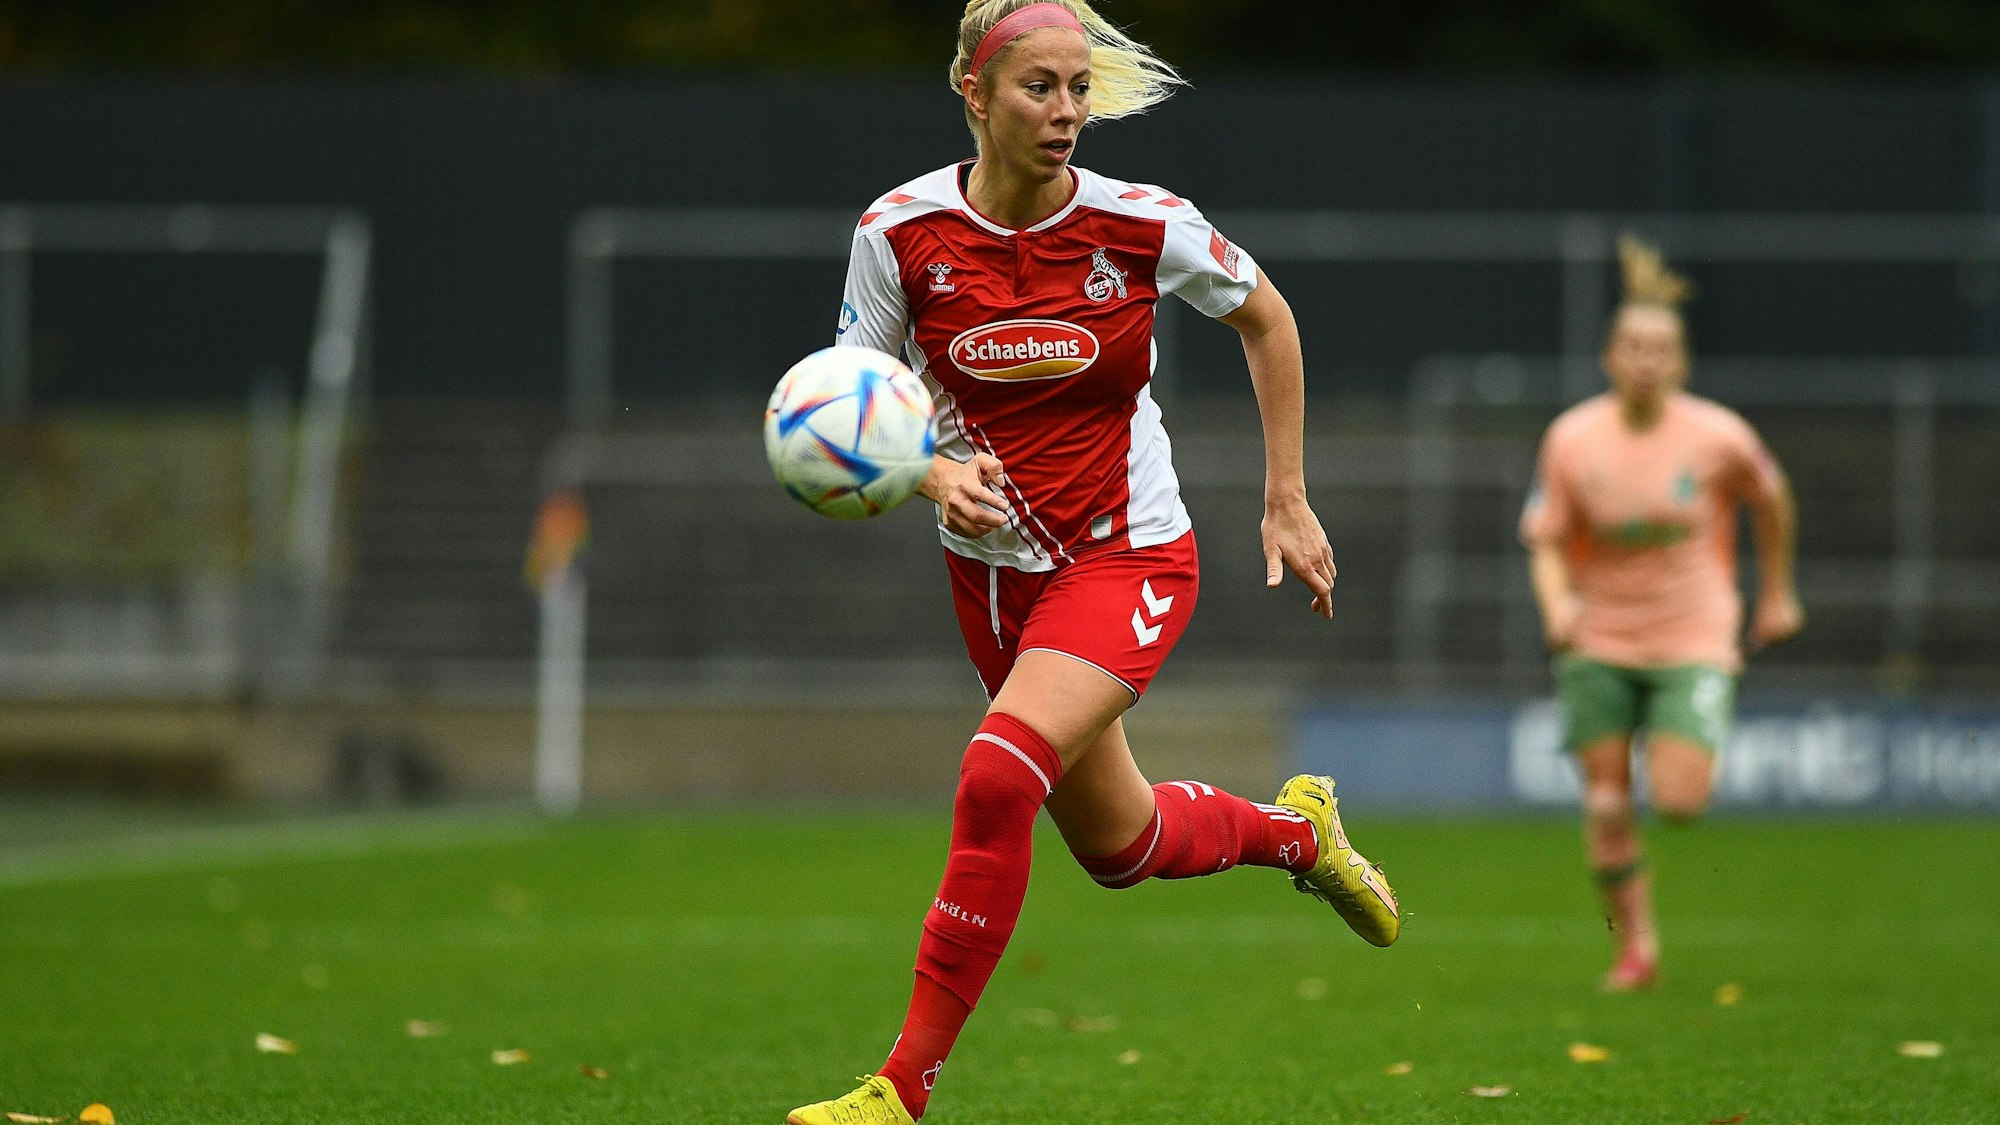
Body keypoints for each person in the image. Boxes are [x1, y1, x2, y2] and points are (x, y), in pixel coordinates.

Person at [788, 3, 1400, 1121]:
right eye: (1038, 88)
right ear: (973, 94)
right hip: (989, 579)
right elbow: (852, 398)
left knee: (990, 778)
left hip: (1128, 560)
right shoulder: (897, 233)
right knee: (1121, 847)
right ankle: (1296, 834)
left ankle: (897, 1092)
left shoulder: (1140, 224)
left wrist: (1286, 496)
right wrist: (926, 473)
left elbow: (1266, 319)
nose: (1066, 111)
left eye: (1077, 88)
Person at [1520, 235, 1803, 993]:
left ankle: (1668, 745)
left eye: (1661, 348)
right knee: (1608, 802)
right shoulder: (1573, 439)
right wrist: (1558, 605)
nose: (1647, 359)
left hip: (1693, 633)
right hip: (1600, 636)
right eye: (1633, 345)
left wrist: (1777, 590)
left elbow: (1771, 499)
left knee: (1678, 801)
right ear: (1611, 355)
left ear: (1679, 361)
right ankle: (1636, 947)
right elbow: (1545, 540)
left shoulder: (1718, 436)